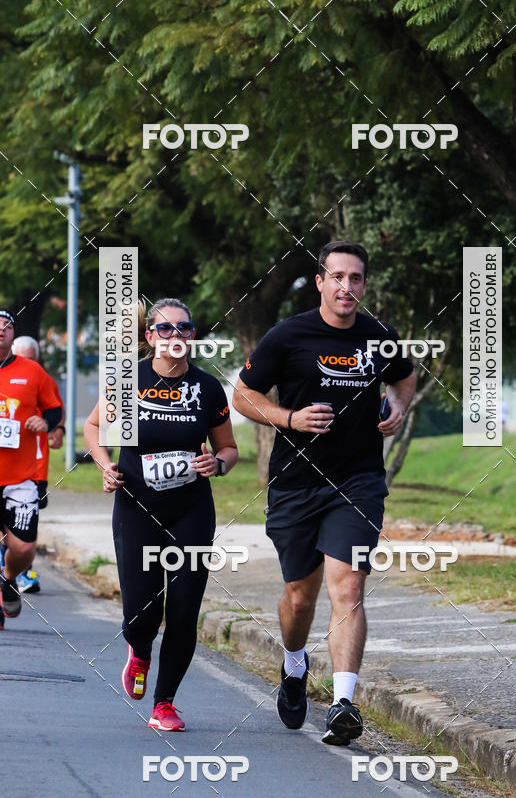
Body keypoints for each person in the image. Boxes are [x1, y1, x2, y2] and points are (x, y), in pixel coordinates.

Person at [232, 240, 416, 745]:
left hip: (357, 482)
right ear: (320, 282)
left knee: (349, 587)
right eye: (337, 277)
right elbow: (243, 395)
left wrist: (399, 408)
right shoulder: (287, 336)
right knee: (299, 598)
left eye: (355, 278)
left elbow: (404, 377)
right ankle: (294, 664)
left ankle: (342, 704)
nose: (346, 287)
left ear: (364, 284)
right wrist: (290, 418)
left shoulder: (379, 337)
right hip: (296, 484)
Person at [84, 298, 237, 732]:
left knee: (184, 610)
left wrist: (218, 464)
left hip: (191, 510)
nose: (175, 336)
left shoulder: (207, 388)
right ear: (150, 336)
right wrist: (105, 465)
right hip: (136, 507)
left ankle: (164, 703)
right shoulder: (128, 380)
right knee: (142, 613)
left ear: (193, 336)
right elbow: (93, 428)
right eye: (165, 329)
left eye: (183, 328)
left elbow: (229, 448)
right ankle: (139, 650)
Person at [0, 311, 63, 628]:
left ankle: (9, 578)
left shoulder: (32, 372)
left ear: (14, 334)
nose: (1, 330)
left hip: (21, 477)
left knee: (23, 547)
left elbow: (54, 409)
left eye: (7, 326)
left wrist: (48, 423)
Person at [11, 336, 65, 593]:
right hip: (6, 465)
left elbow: (56, 408)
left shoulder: (41, 378)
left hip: (34, 466)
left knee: (26, 520)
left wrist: (58, 429)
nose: (26, 363)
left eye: (31, 358)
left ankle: (21, 572)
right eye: (21, 357)